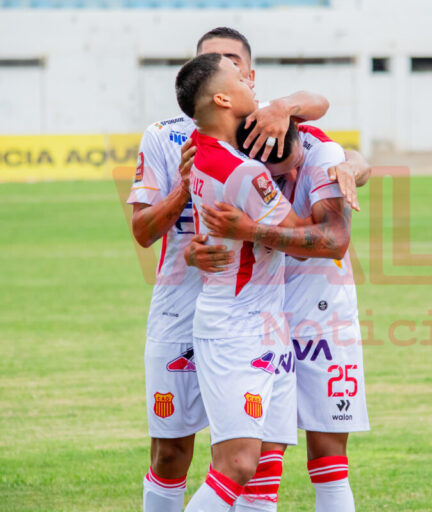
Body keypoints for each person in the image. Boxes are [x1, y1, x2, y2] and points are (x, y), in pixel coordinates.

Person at [127, 26, 338, 512]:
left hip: (262, 312)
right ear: (214, 86)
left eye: (236, 61)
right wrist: (186, 192)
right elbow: (144, 230)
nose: (238, 74)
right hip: (196, 310)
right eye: (216, 61)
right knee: (179, 453)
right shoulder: (171, 140)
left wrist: (345, 161)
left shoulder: (265, 125)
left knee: (262, 466)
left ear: (250, 71)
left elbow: (319, 110)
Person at [193, 119, 371, 512]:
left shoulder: (317, 149)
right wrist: (194, 252)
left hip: (325, 317)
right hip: (262, 320)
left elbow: (335, 240)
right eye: (281, 174)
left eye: (295, 164)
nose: (292, 176)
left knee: (329, 460)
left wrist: (352, 165)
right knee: (259, 462)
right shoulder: (239, 168)